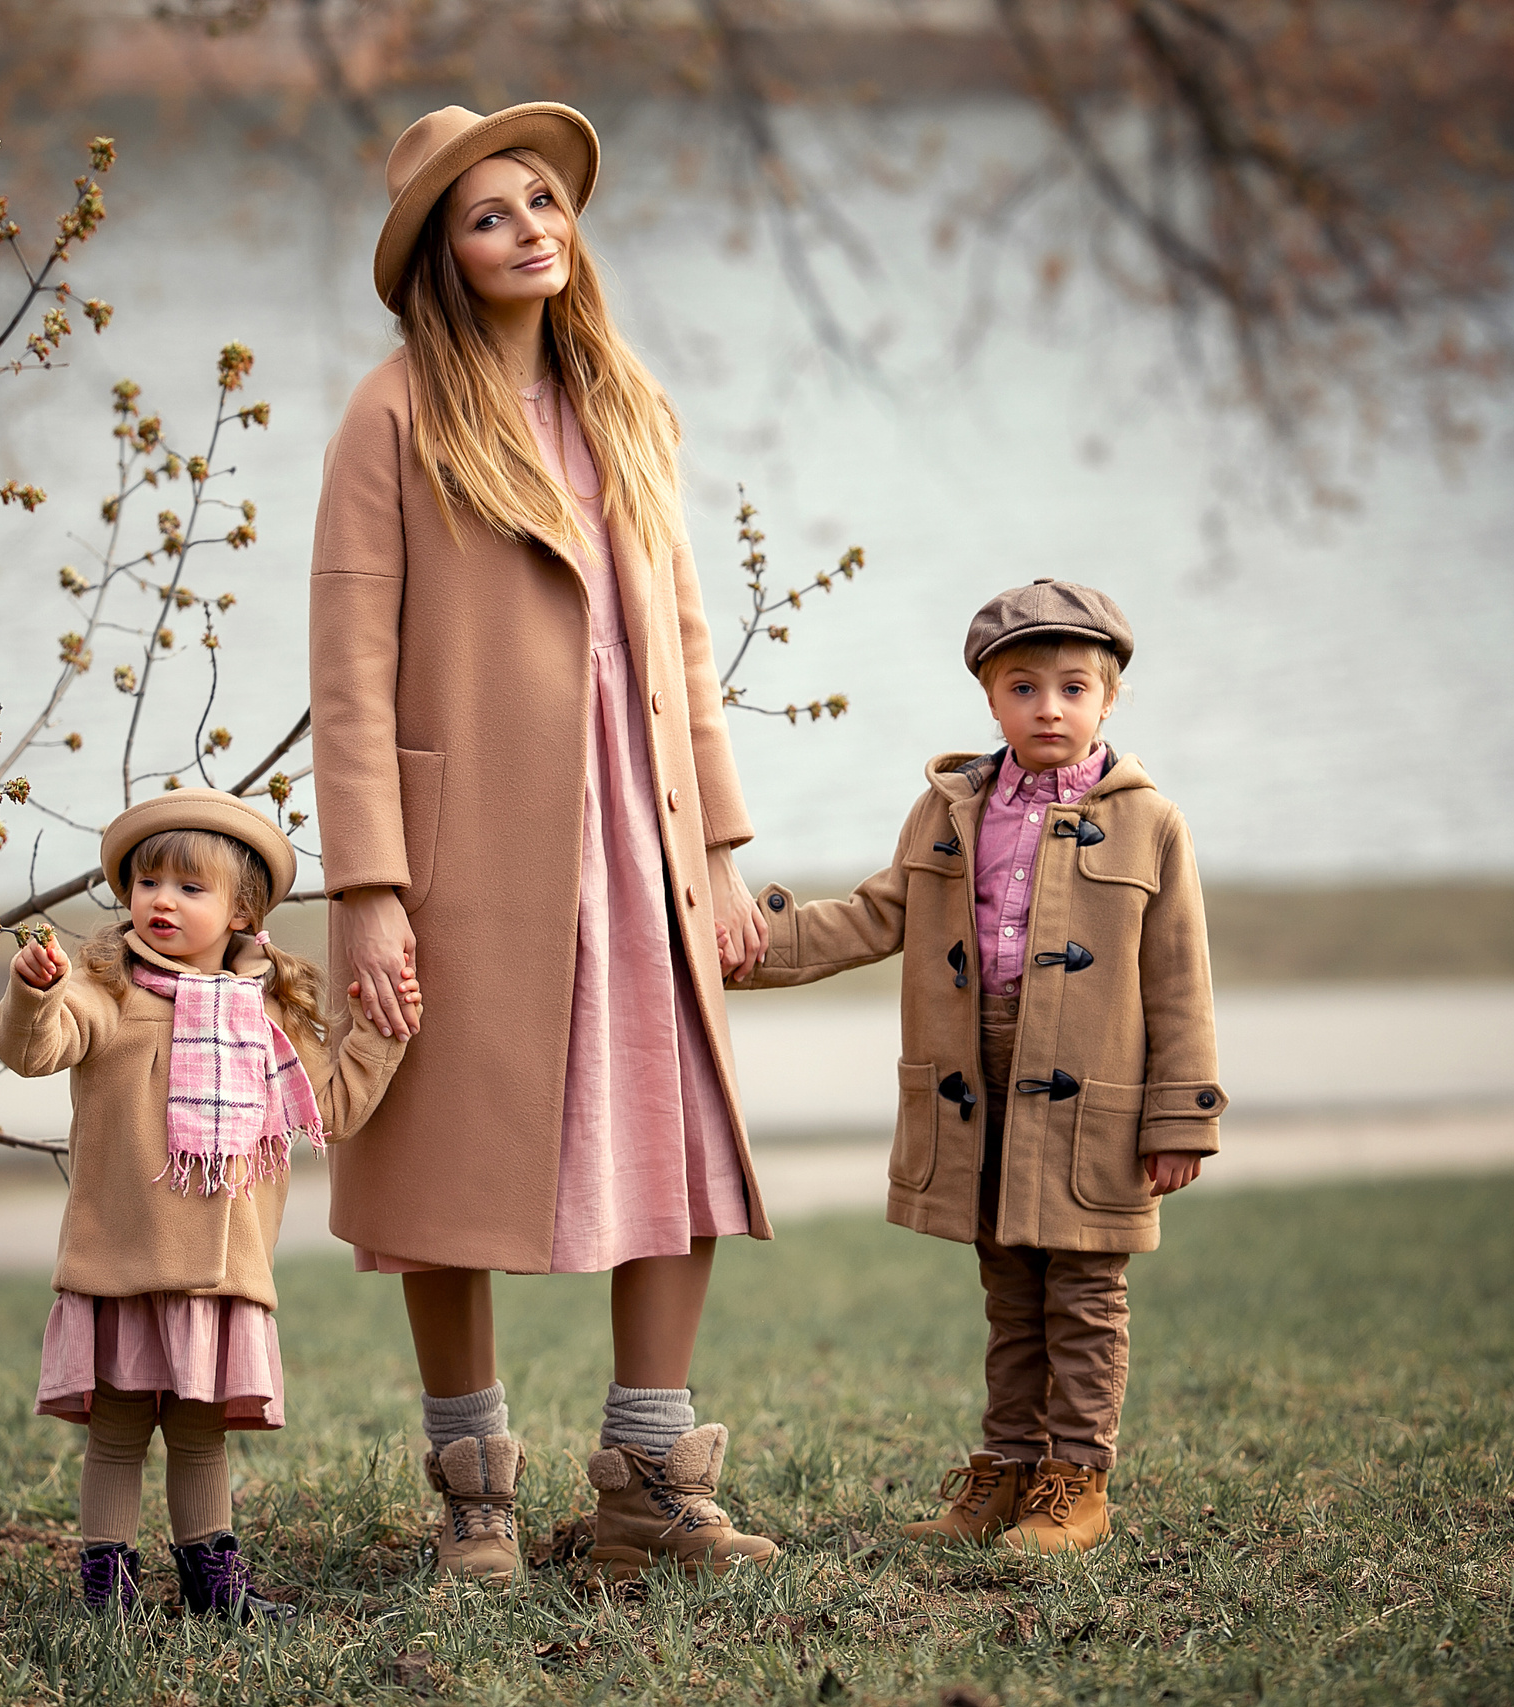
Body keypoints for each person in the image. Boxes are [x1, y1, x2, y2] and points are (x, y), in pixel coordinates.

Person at [308, 101, 779, 1584]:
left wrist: (714, 843)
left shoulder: (623, 404)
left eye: (542, 202)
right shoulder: (393, 414)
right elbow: (350, 668)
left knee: (677, 1133)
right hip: (467, 859)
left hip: (638, 835)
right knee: (443, 1156)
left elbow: (686, 646)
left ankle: (649, 1478)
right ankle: (475, 1499)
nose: (530, 228)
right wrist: (372, 887)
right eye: (487, 214)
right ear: (442, 257)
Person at [733, 580, 1227, 1553]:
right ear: (990, 700)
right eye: (1023, 687)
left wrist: (1180, 1118)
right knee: (1008, 1296)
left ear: (1107, 700)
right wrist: (747, 944)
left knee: (1083, 1297)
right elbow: (877, 915)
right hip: (979, 1094)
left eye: (1073, 688)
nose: (1049, 706)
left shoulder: (1148, 823)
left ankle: (1075, 1483)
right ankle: (1003, 1474)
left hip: (1093, 1104)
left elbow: (1178, 980)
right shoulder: (951, 810)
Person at [0, 789, 415, 1616]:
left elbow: (331, 1107)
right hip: (121, 1258)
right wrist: (34, 993)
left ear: (241, 910)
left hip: (221, 1274)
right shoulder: (103, 993)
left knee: (199, 1435)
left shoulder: (267, 1014)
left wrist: (380, 1033)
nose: (162, 901)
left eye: (190, 888)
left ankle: (214, 1582)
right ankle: (106, 1590)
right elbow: (35, 1048)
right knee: (116, 1434)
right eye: (148, 882)